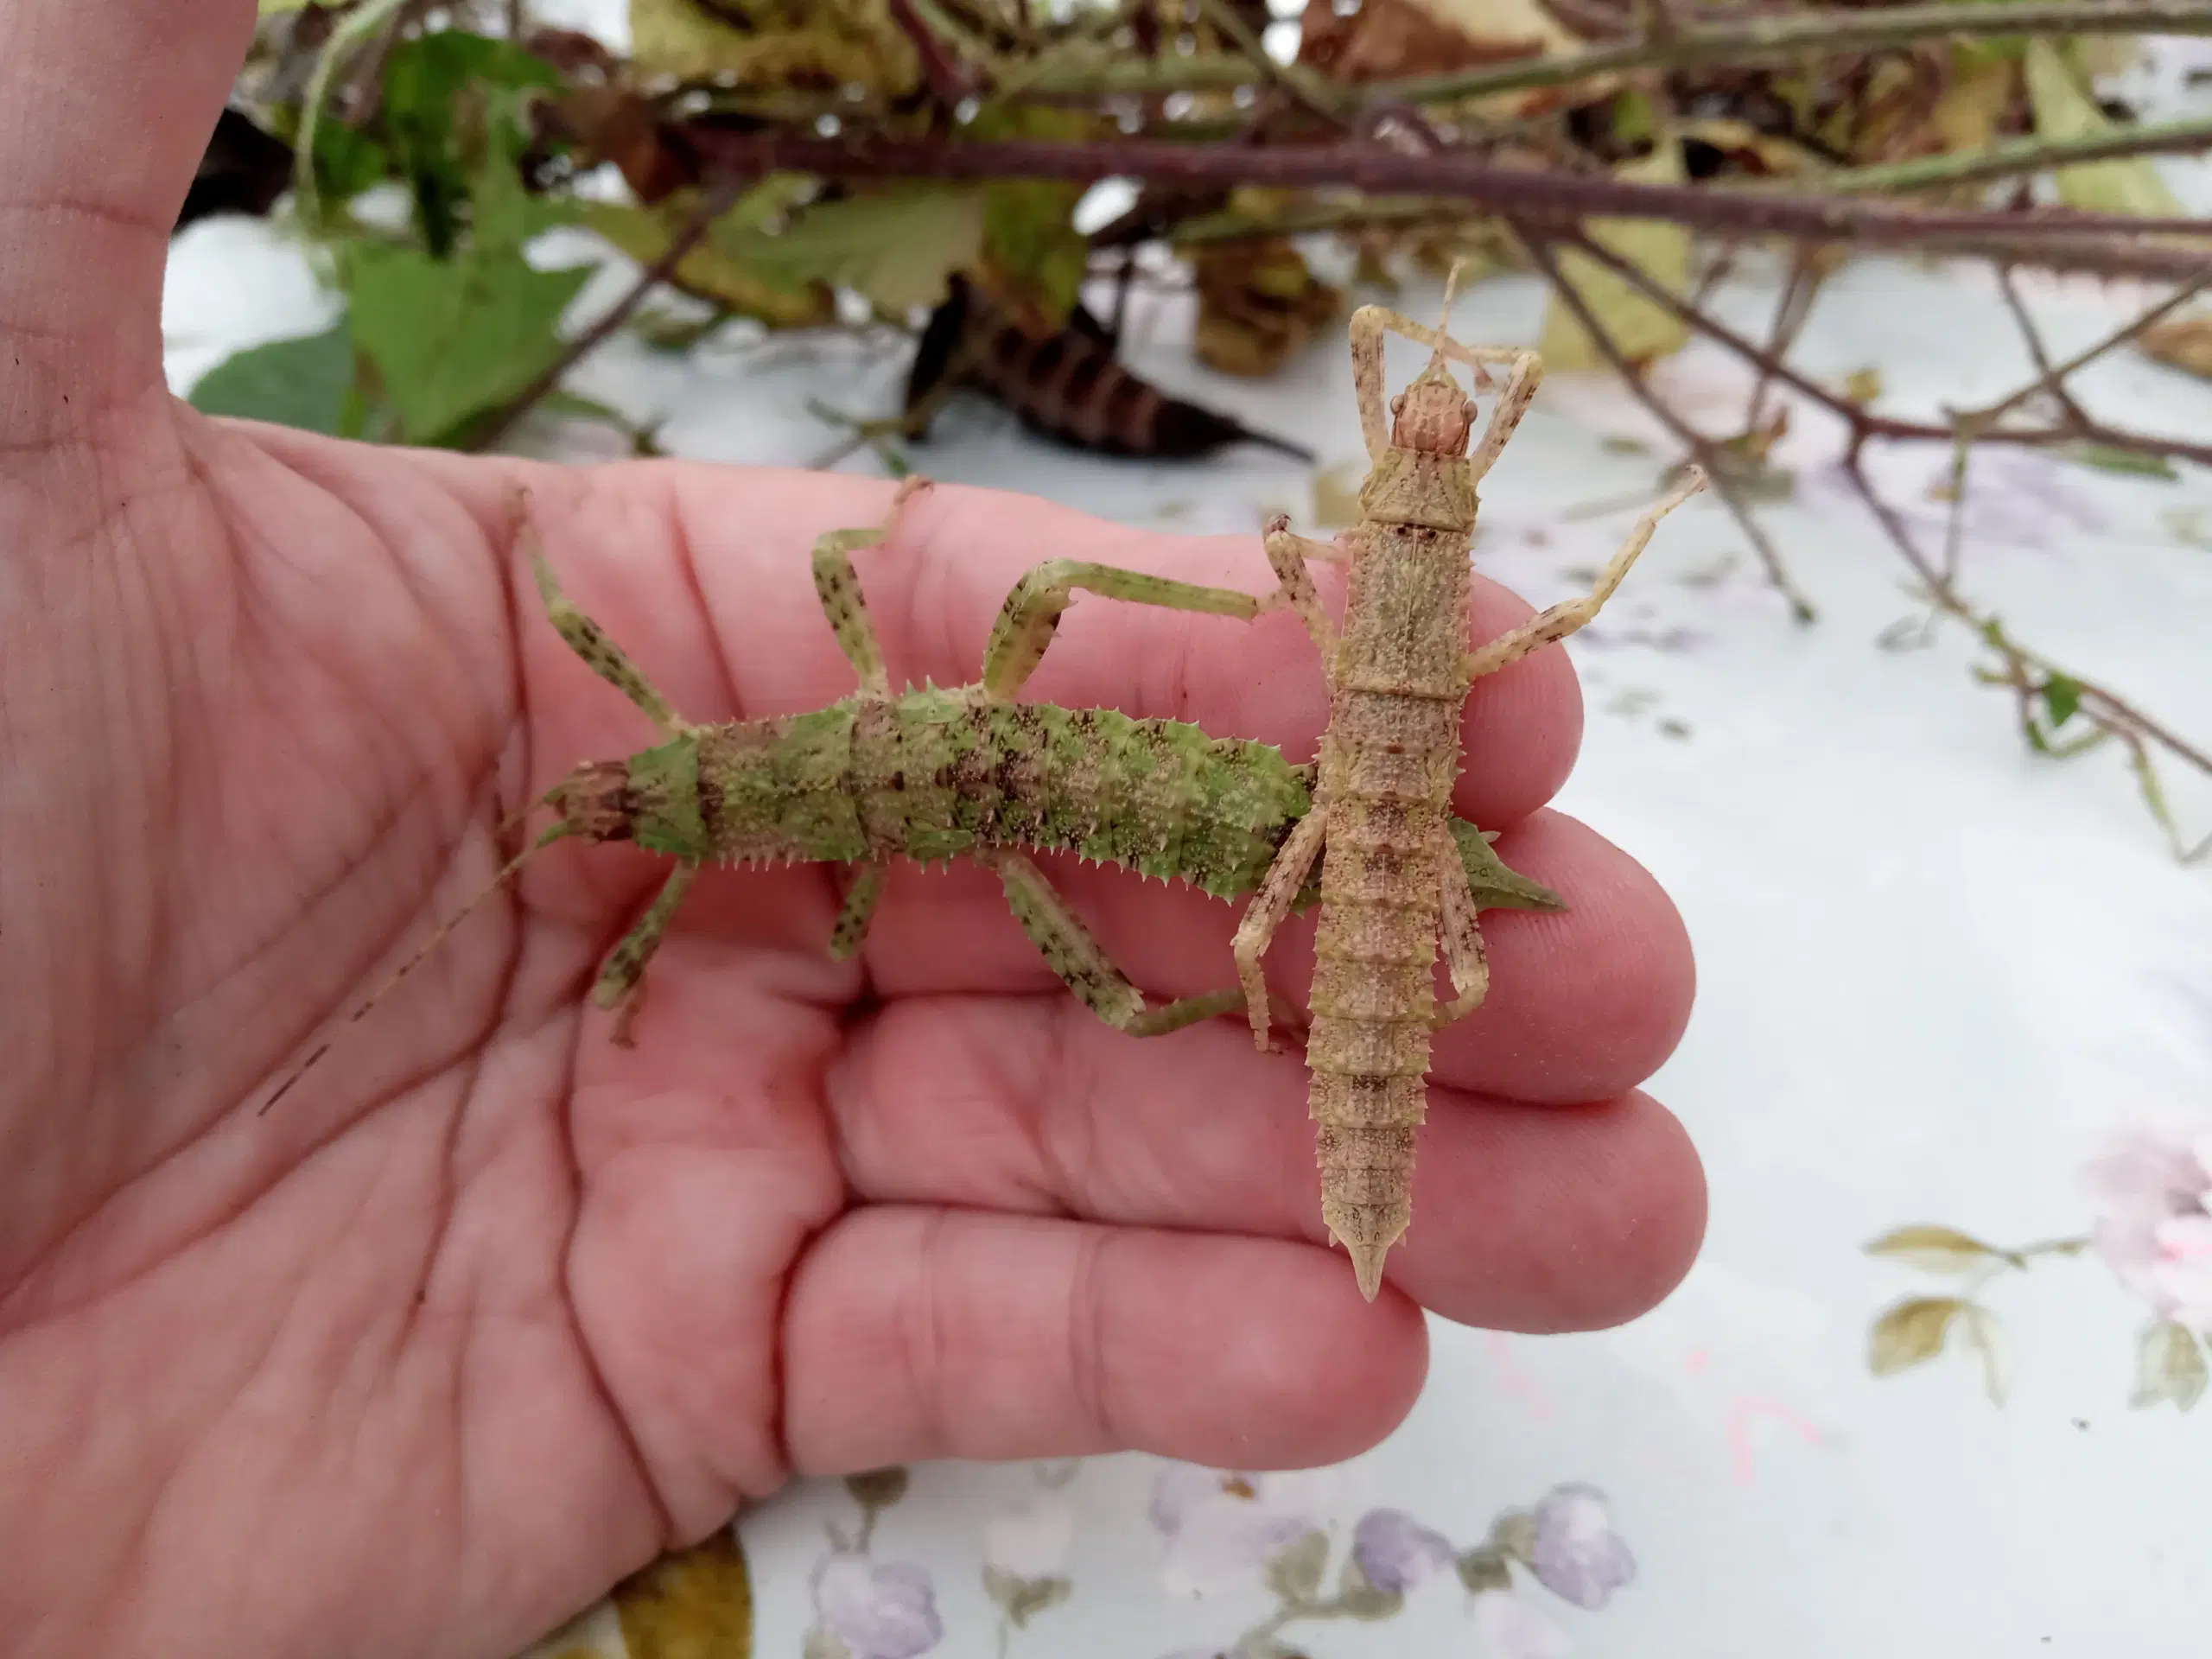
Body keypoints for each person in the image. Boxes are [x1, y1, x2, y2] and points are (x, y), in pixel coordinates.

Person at [0, 3, 1704, 1653]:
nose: (591, 813)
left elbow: (820, 741)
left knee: (1064, 686)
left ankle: (1239, 795)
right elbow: (833, 657)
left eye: (593, 808)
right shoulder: (716, 841)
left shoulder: (691, 851)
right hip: (1081, 791)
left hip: (1078, 786)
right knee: (1114, 971)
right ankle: (1225, 964)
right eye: (598, 816)